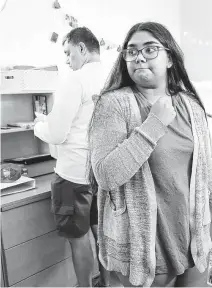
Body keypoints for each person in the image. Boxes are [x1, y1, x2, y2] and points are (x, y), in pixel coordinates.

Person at [87, 21, 212, 287]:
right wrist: (154, 125)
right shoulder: (113, 104)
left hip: (193, 235)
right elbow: (106, 175)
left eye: (150, 49)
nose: (139, 56)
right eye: (131, 51)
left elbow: (205, 168)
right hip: (143, 241)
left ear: (170, 58)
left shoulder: (191, 106)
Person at [34, 27, 110, 287]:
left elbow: (56, 133)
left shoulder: (75, 80)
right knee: (102, 235)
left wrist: (38, 124)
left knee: (79, 239)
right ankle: (108, 284)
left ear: (82, 49)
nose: (67, 60)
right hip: (101, 174)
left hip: (72, 176)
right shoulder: (112, 80)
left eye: (68, 53)